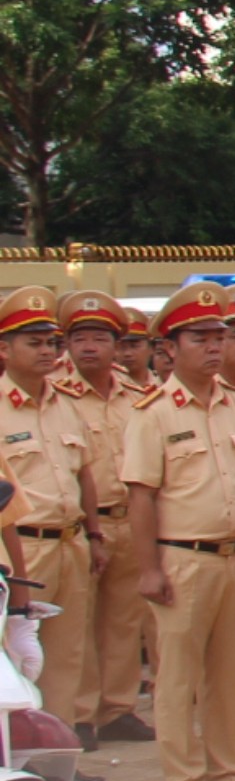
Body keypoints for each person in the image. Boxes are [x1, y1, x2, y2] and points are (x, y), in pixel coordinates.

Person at [120, 282, 235, 781]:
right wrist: (148, 568)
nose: (215, 346)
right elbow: (141, 495)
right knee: (178, 678)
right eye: (201, 337)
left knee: (230, 673)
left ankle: (227, 776)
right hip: (182, 558)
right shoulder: (153, 413)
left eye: (221, 336)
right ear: (170, 348)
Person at [0, 287, 104, 739]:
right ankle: (16, 753)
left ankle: (58, 749)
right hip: (21, 546)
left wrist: (95, 536)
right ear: (4, 349)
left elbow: (85, 474)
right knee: (15, 658)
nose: (47, 352)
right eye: (34, 343)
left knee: (66, 655)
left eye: (51, 343)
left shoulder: (67, 403)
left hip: (69, 542)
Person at [50, 291, 145, 750]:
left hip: (132, 519)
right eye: (80, 338)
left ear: (116, 343)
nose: (90, 347)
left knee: (125, 620)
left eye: (100, 338)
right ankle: (80, 715)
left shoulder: (136, 395)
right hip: (87, 524)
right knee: (78, 626)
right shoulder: (57, 394)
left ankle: (119, 708)